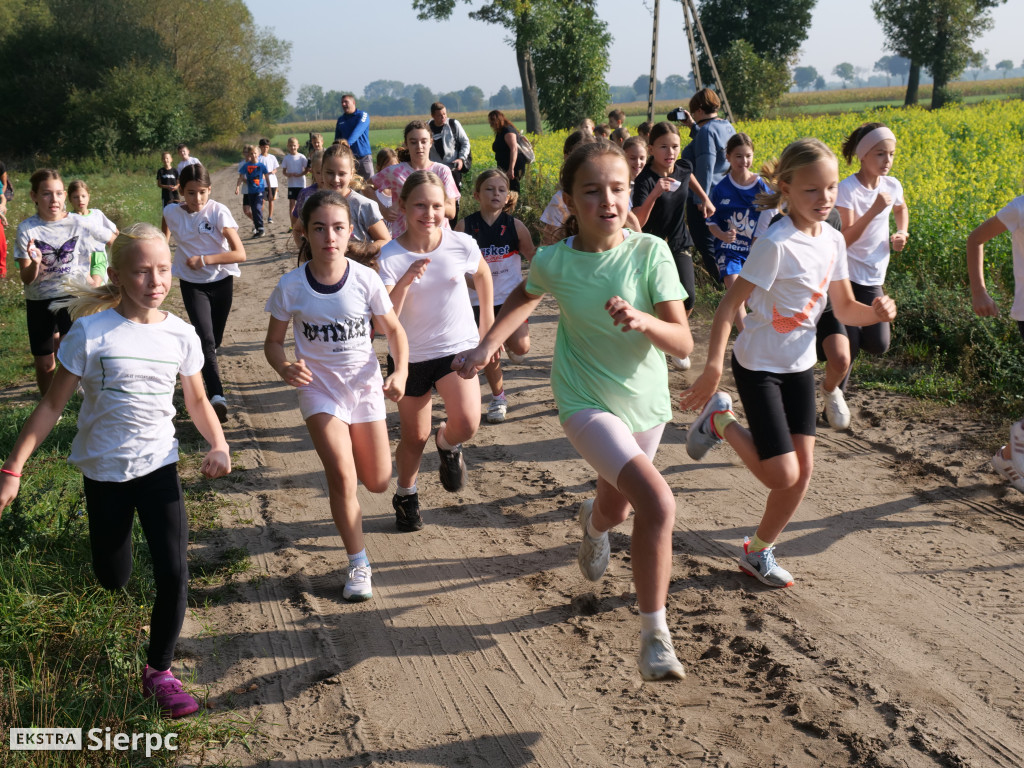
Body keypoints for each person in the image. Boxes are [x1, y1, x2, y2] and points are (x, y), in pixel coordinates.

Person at [452, 140, 693, 681]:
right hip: (584, 399)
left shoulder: (651, 252)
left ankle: (591, 522)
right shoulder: (556, 259)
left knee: (618, 510)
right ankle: (655, 635)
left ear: (630, 192)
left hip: (646, 404)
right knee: (656, 503)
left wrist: (643, 320)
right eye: (592, 191)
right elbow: (524, 297)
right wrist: (488, 343)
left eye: (617, 188)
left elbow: (682, 344)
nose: (607, 200)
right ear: (568, 199)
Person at [0, 223, 231, 718]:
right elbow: (51, 407)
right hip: (105, 471)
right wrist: (13, 468)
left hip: (159, 465)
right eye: (143, 271)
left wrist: (219, 442)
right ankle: (115, 578)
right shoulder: (91, 331)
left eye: (163, 269)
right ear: (120, 275)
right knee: (113, 576)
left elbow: (195, 398)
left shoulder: (180, 333)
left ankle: (159, 672)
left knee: (174, 572)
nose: (156, 280)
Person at [679, 138, 897, 589]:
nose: (825, 199)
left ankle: (757, 551)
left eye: (832, 188)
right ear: (786, 188)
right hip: (758, 366)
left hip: (799, 365)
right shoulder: (776, 243)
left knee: (802, 474)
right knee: (782, 473)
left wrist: (875, 313)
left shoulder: (834, 239)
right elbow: (726, 310)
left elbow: (844, 307)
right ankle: (720, 421)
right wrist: (713, 368)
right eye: (812, 190)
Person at [265, 191, 409, 601]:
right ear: (305, 233)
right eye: (319, 228)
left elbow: (394, 331)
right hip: (319, 390)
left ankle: (359, 521)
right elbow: (273, 343)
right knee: (343, 477)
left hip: (364, 388)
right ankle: (358, 563)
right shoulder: (291, 286)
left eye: (339, 227)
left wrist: (400, 371)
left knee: (379, 481)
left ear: (350, 232)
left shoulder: (366, 280)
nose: (330, 236)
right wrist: (284, 365)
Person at [377, 171, 494, 532]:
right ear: (402, 207)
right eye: (420, 206)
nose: (430, 213)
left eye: (436, 206)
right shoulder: (390, 256)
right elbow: (386, 319)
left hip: (455, 349)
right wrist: (405, 280)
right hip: (410, 358)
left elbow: (483, 276)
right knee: (413, 436)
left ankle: (448, 445)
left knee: (468, 423)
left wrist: (486, 330)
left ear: (447, 206)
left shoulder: (460, 243)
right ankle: (406, 494)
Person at [15, 169, 115, 395]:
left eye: (59, 193)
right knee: (45, 364)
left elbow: (114, 240)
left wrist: (108, 272)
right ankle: (50, 406)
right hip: (39, 301)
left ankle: (85, 396)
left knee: (77, 354)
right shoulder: (26, 229)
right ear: (34, 196)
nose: (55, 200)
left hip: (73, 297)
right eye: (47, 194)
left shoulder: (79, 223)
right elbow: (26, 278)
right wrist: (35, 263)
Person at [161, 163, 247, 423]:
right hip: (191, 284)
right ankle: (217, 397)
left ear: (209, 190)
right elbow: (164, 234)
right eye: (190, 193)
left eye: (202, 192)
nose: (197, 199)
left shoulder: (218, 212)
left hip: (221, 281)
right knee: (206, 339)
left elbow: (240, 253)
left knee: (214, 341)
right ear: (181, 191)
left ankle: (200, 369)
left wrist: (205, 259)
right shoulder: (170, 212)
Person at [833, 122, 908, 400]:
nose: (887, 160)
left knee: (878, 344)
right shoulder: (847, 189)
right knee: (849, 346)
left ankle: (831, 339)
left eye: (891, 154)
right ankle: (834, 400)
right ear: (863, 155)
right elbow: (846, 239)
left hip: (874, 276)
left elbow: (901, 208)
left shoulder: (893, 185)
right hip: (847, 276)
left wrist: (902, 231)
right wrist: (875, 210)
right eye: (880, 154)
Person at [631, 121, 715, 370]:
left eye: (675, 146)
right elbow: (637, 219)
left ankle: (673, 337)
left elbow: (690, 177)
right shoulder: (646, 179)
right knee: (652, 300)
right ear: (651, 149)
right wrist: (656, 192)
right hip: (651, 247)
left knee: (688, 297)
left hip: (678, 241)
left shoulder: (683, 167)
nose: (670, 152)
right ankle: (661, 339)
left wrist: (705, 199)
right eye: (664, 147)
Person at [455, 169, 537, 422]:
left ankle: (511, 342)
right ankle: (498, 397)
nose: (496, 194)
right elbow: (455, 268)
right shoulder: (465, 226)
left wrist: (533, 286)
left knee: (522, 348)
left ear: (508, 195)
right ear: (477, 194)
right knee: (489, 351)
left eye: (502, 189)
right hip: (479, 301)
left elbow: (534, 258)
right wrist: (476, 285)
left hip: (509, 300)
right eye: (489, 189)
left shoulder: (515, 226)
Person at [967, 191, 1024, 492]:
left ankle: (1006, 456)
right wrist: (979, 291)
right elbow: (975, 238)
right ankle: (1011, 452)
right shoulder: (1020, 207)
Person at [705, 133, 776, 332]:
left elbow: (773, 214)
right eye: (738, 156)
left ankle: (729, 328)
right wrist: (722, 235)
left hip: (755, 250)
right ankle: (746, 336)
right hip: (729, 250)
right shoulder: (720, 189)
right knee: (735, 292)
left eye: (748, 156)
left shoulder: (761, 186)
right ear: (728, 157)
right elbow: (711, 223)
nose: (743, 161)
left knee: (745, 299)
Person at [678, 88, 735, 285]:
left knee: (706, 244)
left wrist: (701, 199)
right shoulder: (726, 126)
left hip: (706, 198)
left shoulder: (707, 132)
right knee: (724, 241)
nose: (693, 115)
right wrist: (693, 126)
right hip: (725, 193)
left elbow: (706, 166)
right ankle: (732, 284)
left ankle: (722, 286)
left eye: (694, 112)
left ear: (700, 110)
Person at [370, 121, 460, 238]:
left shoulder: (442, 171)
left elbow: (451, 212)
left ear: (431, 143)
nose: (419, 146)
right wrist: (383, 210)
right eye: (413, 142)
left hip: (439, 240)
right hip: (404, 241)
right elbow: (366, 187)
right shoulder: (395, 171)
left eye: (424, 141)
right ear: (406, 144)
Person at [298, 142, 389, 250]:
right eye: (330, 173)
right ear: (321, 171)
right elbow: (298, 230)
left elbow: (385, 240)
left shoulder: (363, 205)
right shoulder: (312, 204)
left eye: (341, 174)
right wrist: (307, 255)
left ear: (351, 173)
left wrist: (360, 254)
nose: (335, 179)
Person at [428, 102, 472, 221]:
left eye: (444, 114)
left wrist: (461, 158)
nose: (443, 117)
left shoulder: (453, 124)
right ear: (432, 115)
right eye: (439, 115)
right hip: (435, 171)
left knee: (453, 199)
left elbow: (465, 142)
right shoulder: (427, 128)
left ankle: (453, 225)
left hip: (453, 169)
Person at [68, 179, 119, 279]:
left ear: (88, 197)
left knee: (98, 288)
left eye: (83, 196)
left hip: (99, 258)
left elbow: (115, 232)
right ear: (69, 199)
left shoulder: (97, 214)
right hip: (80, 260)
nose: (80, 200)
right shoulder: (69, 218)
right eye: (75, 197)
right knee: (86, 289)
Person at [235, 144, 270, 238]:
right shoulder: (246, 166)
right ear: (249, 155)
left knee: (257, 208)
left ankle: (261, 228)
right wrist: (237, 187)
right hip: (250, 192)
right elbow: (241, 177)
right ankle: (259, 229)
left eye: (255, 153)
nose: (253, 155)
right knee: (253, 210)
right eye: (251, 153)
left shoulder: (261, 165)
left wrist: (269, 190)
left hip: (260, 190)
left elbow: (266, 177)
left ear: (258, 153)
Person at [334, 94, 372, 180]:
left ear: (353, 102)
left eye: (346, 102)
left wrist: (348, 143)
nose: (343, 104)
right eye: (342, 102)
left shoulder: (362, 115)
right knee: (352, 186)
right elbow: (337, 139)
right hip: (349, 159)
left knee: (369, 185)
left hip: (364, 158)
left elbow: (358, 131)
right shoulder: (341, 120)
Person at [488, 110, 528, 192]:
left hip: (513, 165)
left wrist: (511, 169)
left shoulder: (508, 131)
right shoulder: (501, 131)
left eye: (492, 121)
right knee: (506, 188)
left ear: (498, 121)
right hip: (504, 165)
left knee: (512, 188)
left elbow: (514, 149)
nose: (491, 124)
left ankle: (515, 204)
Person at [281, 137, 308, 232]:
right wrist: (288, 174)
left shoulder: (302, 157)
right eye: (291, 146)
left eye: (294, 145)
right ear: (288, 146)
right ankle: (292, 225)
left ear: (298, 146)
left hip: (301, 184)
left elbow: (307, 169)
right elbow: (283, 171)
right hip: (291, 184)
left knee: (301, 205)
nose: (293, 147)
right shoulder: (286, 158)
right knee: (291, 204)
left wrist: (300, 174)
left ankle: (302, 223)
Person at [373, 148, 399, 232]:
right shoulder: (373, 194)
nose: (391, 172)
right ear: (378, 168)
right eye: (387, 169)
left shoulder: (402, 191)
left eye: (394, 168)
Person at [258, 138, 281, 226]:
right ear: (260, 147)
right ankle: (260, 217)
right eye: (263, 147)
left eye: (267, 147)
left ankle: (270, 217)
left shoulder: (272, 157)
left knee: (271, 200)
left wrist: (272, 172)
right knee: (262, 201)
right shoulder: (258, 158)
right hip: (262, 183)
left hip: (272, 182)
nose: (265, 149)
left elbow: (276, 168)